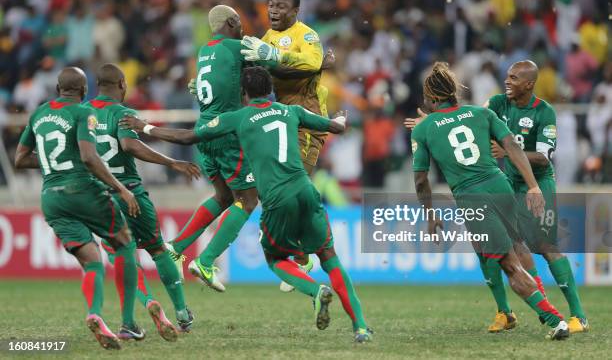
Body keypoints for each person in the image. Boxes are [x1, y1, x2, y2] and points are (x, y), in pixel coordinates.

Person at [119, 66, 372, 343]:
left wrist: (145, 126)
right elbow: (336, 127)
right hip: (306, 190)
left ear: (243, 93)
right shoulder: (291, 111)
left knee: (275, 258)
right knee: (329, 258)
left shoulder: (238, 118)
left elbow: (188, 137)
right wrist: (341, 118)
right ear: (271, 90)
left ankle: (315, 292)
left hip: (277, 199)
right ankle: (360, 327)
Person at [166, 5, 325, 292]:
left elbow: (220, 82)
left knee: (224, 195)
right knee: (250, 199)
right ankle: (207, 260)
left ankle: (176, 247)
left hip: (206, 131)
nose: (243, 28)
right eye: (239, 23)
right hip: (228, 134)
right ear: (232, 21)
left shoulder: (204, 52)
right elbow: (272, 72)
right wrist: (322, 63)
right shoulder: (238, 47)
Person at [410, 62, 569, 340]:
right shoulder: (481, 113)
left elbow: (421, 180)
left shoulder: (423, 130)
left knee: (508, 263)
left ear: (433, 98)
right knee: (499, 248)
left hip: (472, 196)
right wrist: (532, 186)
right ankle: (505, 312)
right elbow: (513, 147)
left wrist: (430, 214)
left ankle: (552, 318)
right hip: (501, 186)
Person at [14, 67, 141, 350]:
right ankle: (128, 323)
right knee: (123, 242)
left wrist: (52, 163)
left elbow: (20, 159)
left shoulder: (38, 114)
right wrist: (120, 189)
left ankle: (95, 313)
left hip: (51, 198)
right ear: (85, 91)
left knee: (92, 260)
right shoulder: (84, 113)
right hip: (82, 191)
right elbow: (88, 157)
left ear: (58, 88)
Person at [86, 63, 200, 337]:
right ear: (122, 84)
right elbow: (129, 145)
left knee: (121, 256)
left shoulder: (83, 114)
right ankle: (182, 313)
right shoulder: (123, 113)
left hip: (102, 196)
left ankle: (148, 301)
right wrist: (173, 162)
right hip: (131, 191)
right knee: (158, 249)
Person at [485, 61, 588, 333]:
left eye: (514, 78)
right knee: (510, 244)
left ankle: (579, 316)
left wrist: (507, 152)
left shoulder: (544, 112)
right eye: (507, 76)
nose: (507, 81)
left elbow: (543, 158)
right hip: (509, 181)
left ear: (529, 84)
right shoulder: (498, 104)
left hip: (539, 183)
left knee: (544, 245)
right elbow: (473, 120)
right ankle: (525, 309)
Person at [239, 0, 331, 289]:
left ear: (295, 12)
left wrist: (275, 56)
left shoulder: (307, 35)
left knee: (292, 185)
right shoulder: (265, 38)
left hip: (307, 121)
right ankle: (303, 255)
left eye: (281, 6)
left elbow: (313, 63)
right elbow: (253, 74)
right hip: (280, 121)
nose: (274, 10)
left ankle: (303, 254)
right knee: (277, 188)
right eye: (271, 5)